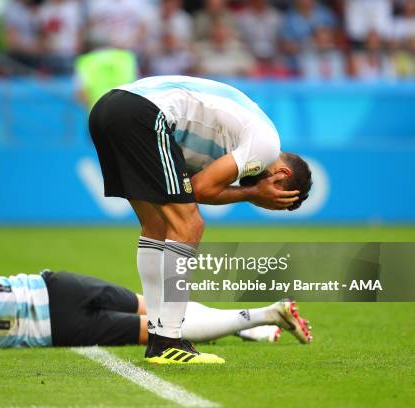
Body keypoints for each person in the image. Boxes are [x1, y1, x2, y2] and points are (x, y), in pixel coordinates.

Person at [88, 75, 312, 364]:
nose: (267, 204)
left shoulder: (231, 140)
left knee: (156, 226)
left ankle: (159, 336)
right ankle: (168, 341)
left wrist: (249, 190)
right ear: (282, 176)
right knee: (190, 225)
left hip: (108, 108)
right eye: (276, 200)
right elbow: (202, 189)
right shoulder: (266, 147)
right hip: (143, 113)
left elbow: (194, 188)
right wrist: (253, 192)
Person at [0, 256, 312, 358]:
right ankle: (257, 321)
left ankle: (260, 320)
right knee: (160, 309)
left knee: (162, 326)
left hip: (57, 326)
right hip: (56, 288)